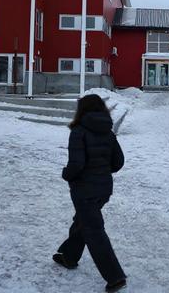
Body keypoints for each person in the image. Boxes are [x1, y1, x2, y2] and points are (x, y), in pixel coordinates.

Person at [54, 94, 127, 292]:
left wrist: (66, 175)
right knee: (85, 221)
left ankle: (116, 277)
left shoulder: (79, 131)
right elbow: (118, 162)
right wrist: (102, 172)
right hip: (103, 188)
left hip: (84, 190)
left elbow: (76, 165)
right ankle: (68, 256)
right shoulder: (108, 132)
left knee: (94, 230)